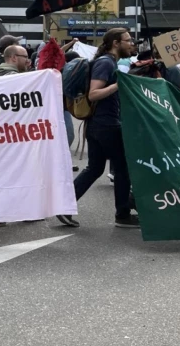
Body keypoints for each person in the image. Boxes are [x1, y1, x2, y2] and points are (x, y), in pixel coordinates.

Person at [57, 28, 138, 229]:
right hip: (106, 125)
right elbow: (94, 94)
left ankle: (64, 206)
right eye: (128, 40)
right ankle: (123, 215)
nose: (132, 44)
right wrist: (120, 84)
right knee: (122, 169)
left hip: (98, 124)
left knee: (95, 168)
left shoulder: (109, 62)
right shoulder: (105, 63)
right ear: (116, 43)